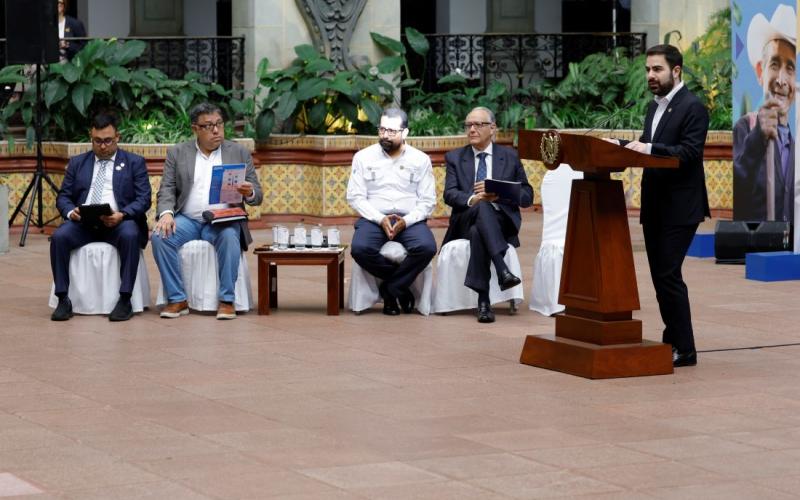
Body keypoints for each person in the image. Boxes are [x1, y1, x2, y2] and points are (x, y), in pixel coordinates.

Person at [621, 44, 709, 367]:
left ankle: (685, 348)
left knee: (669, 273)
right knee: (660, 276)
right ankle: (673, 336)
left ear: (676, 71)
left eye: (656, 69)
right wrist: (619, 149)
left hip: (681, 206)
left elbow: (687, 153)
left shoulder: (693, 107)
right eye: (647, 70)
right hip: (655, 205)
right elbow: (649, 150)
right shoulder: (652, 108)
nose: (650, 76)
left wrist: (648, 147)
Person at [151, 102, 263, 320]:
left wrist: (248, 193)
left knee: (231, 236)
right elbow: (166, 188)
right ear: (195, 129)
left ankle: (227, 300)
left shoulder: (238, 152)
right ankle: (177, 298)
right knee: (159, 237)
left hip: (222, 220)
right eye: (208, 126)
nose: (216, 131)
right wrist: (166, 213)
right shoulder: (178, 153)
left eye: (219, 124)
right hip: (188, 220)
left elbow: (257, 195)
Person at [50, 111, 151, 322]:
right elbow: (63, 197)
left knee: (131, 235)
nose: (102, 146)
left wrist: (122, 214)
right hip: (84, 223)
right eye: (97, 141)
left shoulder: (134, 162)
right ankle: (63, 299)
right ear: (91, 137)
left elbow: (144, 199)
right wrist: (71, 212)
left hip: (118, 222)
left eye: (107, 141)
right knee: (60, 237)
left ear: (118, 138)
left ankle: (125, 299)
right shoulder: (78, 162)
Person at [442, 106, 534, 323]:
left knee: (478, 232)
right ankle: (502, 270)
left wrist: (499, 194)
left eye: (478, 125)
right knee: (480, 207)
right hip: (466, 218)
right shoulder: (455, 157)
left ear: (493, 128)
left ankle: (483, 301)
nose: (471, 129)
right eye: (468, 125)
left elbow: (527, 195)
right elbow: (450, 194)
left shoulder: (510, 156)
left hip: (502, 221)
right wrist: (474, 199)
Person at [346, 107, 437, 315]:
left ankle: (390, 289)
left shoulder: (420, 159)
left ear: (405, 133)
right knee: (360, 249)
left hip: (409, 219)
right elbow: (355, 197)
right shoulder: (363, 157)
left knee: (427, 247)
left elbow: (428, 201)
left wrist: (408, 221)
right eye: (382, 129)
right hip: (374, 218)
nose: (385, 135)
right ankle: (400, 288)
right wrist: (380, 219)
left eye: (392, 131)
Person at [733, 4, 795, 223]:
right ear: (760, 71)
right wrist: (758, 137)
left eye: (790, 68)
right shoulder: (745, 128)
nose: (781, 79)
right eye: (775, 64)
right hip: (758, 253)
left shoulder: (796, 146)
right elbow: (736, 188)